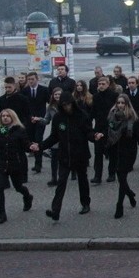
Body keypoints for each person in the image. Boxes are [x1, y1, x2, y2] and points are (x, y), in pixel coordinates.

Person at [32, 92, 104, 221]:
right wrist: (40, 146)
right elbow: (54, 137)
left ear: (73, 103)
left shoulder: (82, 115)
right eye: (64, 105)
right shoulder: (58, 118)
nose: (67, 107)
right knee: (61, 182)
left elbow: (88, 132)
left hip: (80, 154)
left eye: (69, 104)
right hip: (65, 155)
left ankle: (85, 203)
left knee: (82, 180)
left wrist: (94, 136)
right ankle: (55, 210)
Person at [0, 108, 35, 224]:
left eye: (7, 116)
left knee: (18, 187)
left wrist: (32, 147)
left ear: (12, 118)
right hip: (1, 165)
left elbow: (26, 146)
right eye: (3, 116)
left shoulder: (19, 130)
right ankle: (2, 213)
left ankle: (27, 196)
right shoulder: (0, 131)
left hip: (16, 164)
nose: (5, 118)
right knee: (0, 188)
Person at [105, 94, 139, 219]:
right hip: (115, 151)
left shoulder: (132, 119)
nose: (120, 105)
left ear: (126, 104)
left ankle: (119, 205)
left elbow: (136, 137)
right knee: (121, 179)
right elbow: (108, 132)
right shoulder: (111, 116)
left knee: (122, 177)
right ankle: (130, 194)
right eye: (118, 103)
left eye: (122, 103)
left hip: (127, 152)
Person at [90, 76, 118, 184]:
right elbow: (93, 112)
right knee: (98, 153)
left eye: (103, 84)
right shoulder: (96, 96)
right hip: (99, 127)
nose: (101, 86)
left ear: (108, 84)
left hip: (111, 127)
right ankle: (98, 175)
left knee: (112, 152)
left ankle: (112, 173)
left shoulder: (114, 95)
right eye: (99, 84)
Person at [23, 71, 49, 174]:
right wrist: (29, 117)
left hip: (40, 120)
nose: (30, 81)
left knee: (38, 140)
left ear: (37, 79)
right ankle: (33, 158)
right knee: (31, 140)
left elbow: (49, 103)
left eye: (32, 79)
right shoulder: (24, 91)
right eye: (29, 79)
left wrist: (43, 117)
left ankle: (38, 164)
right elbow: (23, 107)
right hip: (29, 120)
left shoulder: (44, 90)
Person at [40, 88, 63, 186]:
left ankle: (70, 173)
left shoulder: (67, 105)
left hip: (66, 134)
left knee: (66, 156)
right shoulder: (50, 107)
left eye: (59, 94)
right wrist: (39, 119)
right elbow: (46, 120)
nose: (57, 96)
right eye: (55, 94)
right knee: (54, 157)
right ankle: (54, 177)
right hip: (55, 133)